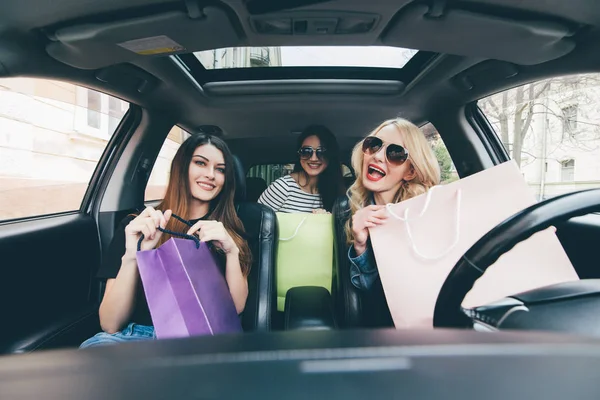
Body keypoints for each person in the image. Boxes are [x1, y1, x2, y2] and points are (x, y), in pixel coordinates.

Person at [80, 134, 252, 348]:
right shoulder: (138, 225)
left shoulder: (229, 233)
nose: (210, 175)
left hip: (201, 338)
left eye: (221, 169)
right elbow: (110, 323)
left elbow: (235, 310)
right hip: (135, 337)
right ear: (181, 167)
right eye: (200, 163)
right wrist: (134, 256)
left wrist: (232, 252)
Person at [345, 118, 441, 290]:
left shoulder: (428, 213)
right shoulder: (353, 213)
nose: (377, 156)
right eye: (374, 145)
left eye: (396, 153)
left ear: (411, 171)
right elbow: (369, 294)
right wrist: (360, 246)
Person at [258, 125, 345, 213]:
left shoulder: (335, 190)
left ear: (330, 156)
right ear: (299, 155)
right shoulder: (282, 187)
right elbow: (258, 223)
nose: (313, 159)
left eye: (321, 152)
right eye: (306, 152)